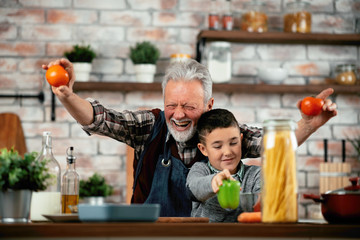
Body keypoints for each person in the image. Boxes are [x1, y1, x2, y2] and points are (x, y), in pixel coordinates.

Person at [42, 58, 337, 217]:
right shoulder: (149, 125)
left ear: (209, 105)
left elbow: (275, 142)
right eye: (172, 104)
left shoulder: (224, 135)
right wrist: (67, 95)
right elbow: (100, 118)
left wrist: (311, 123)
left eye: (189, 106)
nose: (178, 114)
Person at [186, 108, 260, 222]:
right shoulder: (200, 170)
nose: (227, 152)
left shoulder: (255, 174)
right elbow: (193, 188)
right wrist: (213, 182)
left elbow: (264, 204)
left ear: (241, 140)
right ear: (203, 149)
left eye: (233, 143)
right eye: (217, 146)